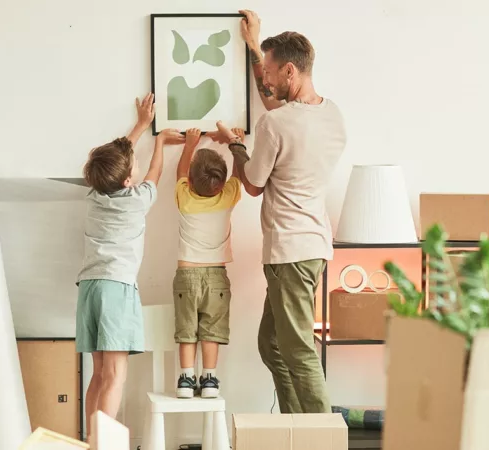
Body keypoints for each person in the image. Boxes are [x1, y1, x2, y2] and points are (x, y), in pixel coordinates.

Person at [236, 10, 348, 414]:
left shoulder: (275, 126)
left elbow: (251, 183)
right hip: (313, 247)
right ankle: (295, 425)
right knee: (272, 344)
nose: (264, 79)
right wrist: (254, 45)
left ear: (289, 71)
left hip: (289, 252)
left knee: (298, 350)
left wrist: (235, 148)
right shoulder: (333, 115)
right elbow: (275, 106)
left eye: (268, 71)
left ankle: (321, 435)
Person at [76, 93, 183, 433]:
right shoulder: (137, 200)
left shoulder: (93, 195)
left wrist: (140, 126)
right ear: (126, 181)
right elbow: (155, 171)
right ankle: (104, 443)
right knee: (116, 376)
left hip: (89, 289)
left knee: (98, 375)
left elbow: (119, 160)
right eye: (130, 166)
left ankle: (91, 439)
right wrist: (161, 143)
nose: (135, 164)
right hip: (116, 288)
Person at [171, 126, 247, 399]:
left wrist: (189, 144)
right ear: (221, 183)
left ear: (190, 182)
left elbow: (180, 171)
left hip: (186, 274)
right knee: (211, 330)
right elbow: (239, 175)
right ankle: (210, 380)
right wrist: (238, 142)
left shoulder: (184, 197)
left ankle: (186, 378)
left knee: (186, 329)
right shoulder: (228, 197)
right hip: (216, 276)